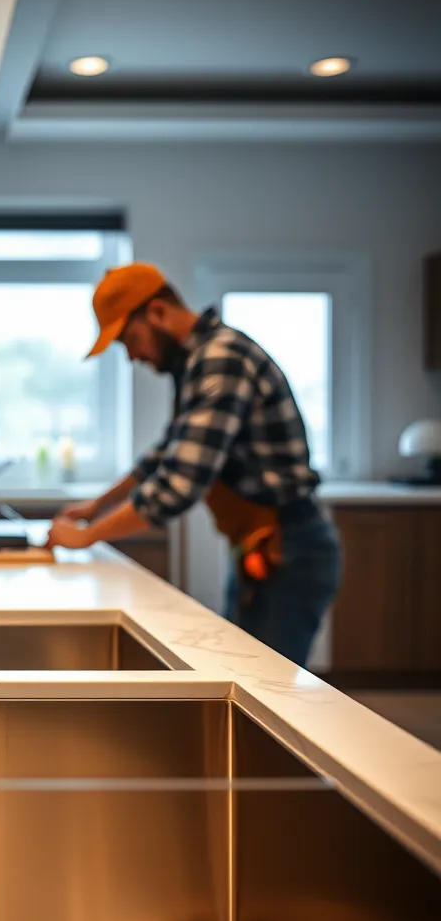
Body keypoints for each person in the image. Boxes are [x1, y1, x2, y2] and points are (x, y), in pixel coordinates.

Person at [46, 262, 341, 668]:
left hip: (290, 546)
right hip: (262, 543)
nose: (132, 356)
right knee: (245, 676)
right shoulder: (197, 362)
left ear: (158, 313)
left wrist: (87, 536)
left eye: (130, 339)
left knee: (267, 694)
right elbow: (167, 452)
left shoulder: (221, 359)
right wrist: (98, 505)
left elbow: (177, 486)